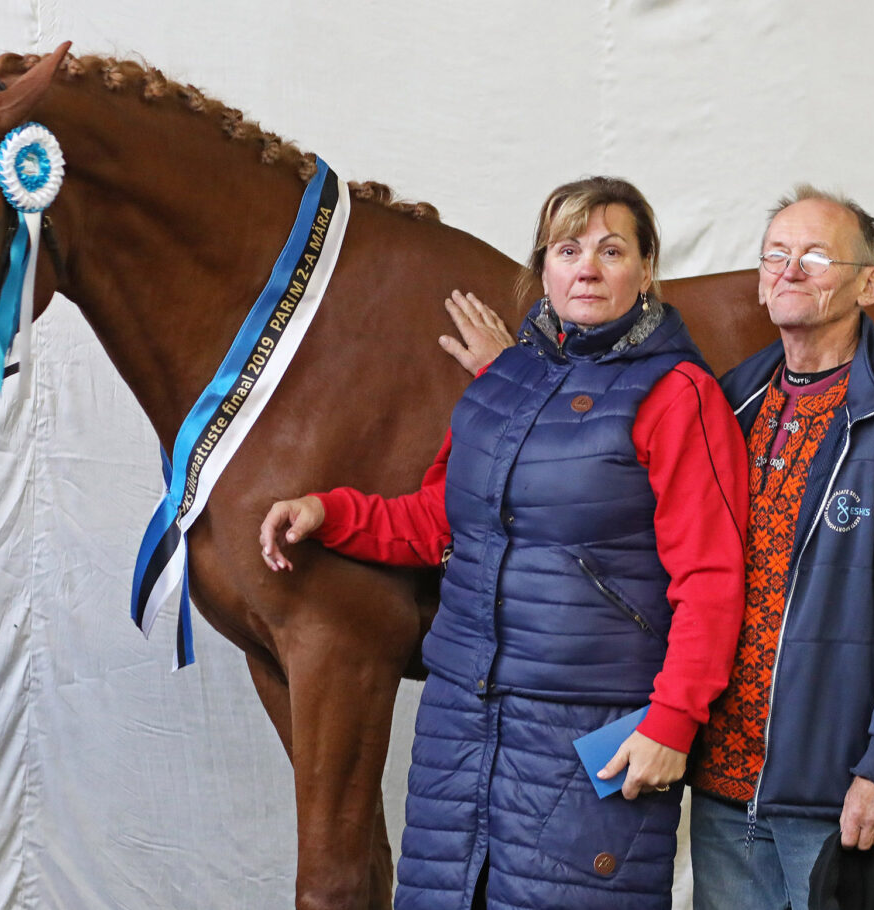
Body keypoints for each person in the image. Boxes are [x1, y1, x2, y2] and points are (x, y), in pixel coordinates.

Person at [259, 177, 749, 909]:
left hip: (586, 727)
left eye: (612, 251)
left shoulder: (679, 394)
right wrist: (329, 512)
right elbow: (441, 520)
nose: (587, 268)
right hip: (462, 725)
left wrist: (673, 722)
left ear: (647, 270)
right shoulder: (502, 382)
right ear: (543, 269)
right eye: (568, 250)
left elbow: (712, 576)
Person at [681, 186, 874, 910]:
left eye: (817, 256)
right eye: (776, 255)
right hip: (725, 793)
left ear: (867, 284)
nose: (791, 269)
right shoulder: (728, 408)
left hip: (846, 797)